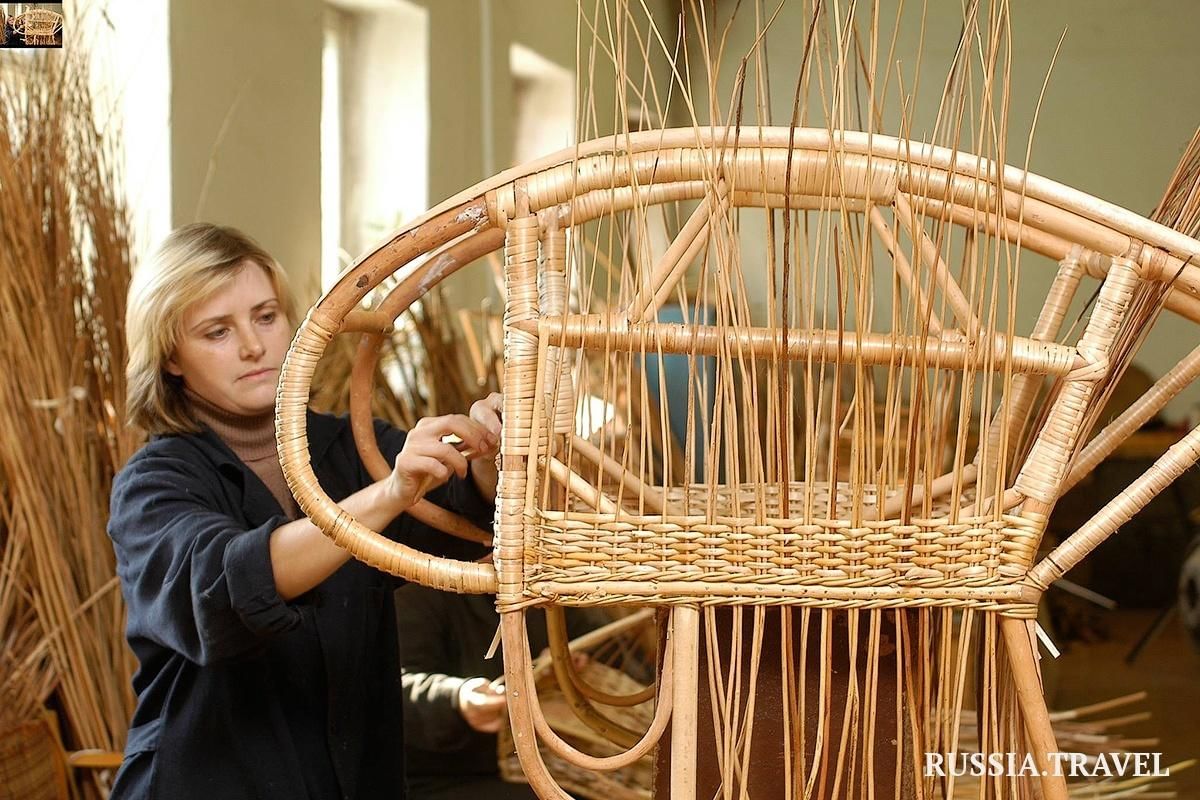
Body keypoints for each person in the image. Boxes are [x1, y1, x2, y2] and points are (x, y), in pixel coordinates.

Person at [107, 222, 500, 799]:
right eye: (217, 331)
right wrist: (388, 493)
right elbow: (229, 585)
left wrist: (493, 452)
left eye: (266, 317)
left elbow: (456, 514)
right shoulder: (153, 486)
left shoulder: (347, 446)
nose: (253, 345)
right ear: (170, 358)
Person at [395, 585, 602, 800]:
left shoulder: (544, 588)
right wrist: (457, 700)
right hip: (445, 776)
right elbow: (392, 688)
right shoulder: (420, 591)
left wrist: (578, 658)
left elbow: (607, 644)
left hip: (542, 765)